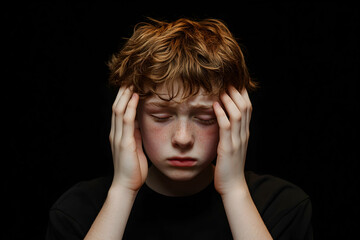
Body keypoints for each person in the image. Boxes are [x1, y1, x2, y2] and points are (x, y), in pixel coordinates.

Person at [46, 18, 313, 240]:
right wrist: (123, 191)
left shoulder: (282, 206)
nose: (182, 138)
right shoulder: (78, 210)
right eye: (161, 116)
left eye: (205, 118)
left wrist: (234, 190)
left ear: (235, 116)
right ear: (130, 116)